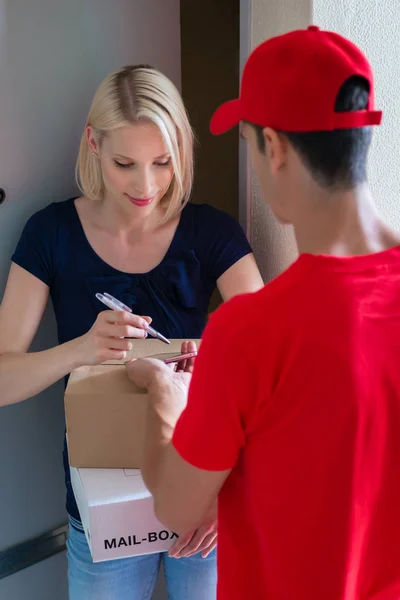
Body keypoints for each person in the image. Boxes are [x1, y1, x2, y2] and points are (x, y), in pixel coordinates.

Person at [126, 27, 400, 600]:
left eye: (249, 143)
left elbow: (177, 504)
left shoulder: (252, 330)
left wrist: (164, 402)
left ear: (273, 147)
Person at [0, 64, 263, 600]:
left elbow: (276, 363)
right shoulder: (50, 233)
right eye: (125, 164)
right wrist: (80, 350)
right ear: (93, 145)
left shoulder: (212, 233)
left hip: (206, 491)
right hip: (101, 494)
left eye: (163, 163)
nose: (146, 186)